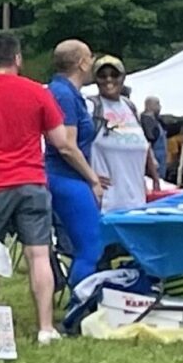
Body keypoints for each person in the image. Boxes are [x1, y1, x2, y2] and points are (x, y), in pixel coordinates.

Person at [0, 32, 91, 345]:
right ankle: (46, 328)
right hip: (32, 182)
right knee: (38, 254)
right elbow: (60, 142)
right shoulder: (38, 93)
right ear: (18, 58)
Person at [42, 39, 110, 267]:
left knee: (87, 246)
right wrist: (92, 179)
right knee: (90, 248)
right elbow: (67, 145)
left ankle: (84, 296)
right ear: (81, 63)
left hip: (68, 176)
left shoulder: (65, 92)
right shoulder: (64, 95)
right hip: (66, 177)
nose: (92, 62)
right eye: (89, 57)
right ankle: (82, 301)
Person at [89, 57, 159, 212]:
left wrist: (154, 176)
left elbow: (143, 143)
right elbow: (71, 144)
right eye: (103, 75)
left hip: (137, 199)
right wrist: (88, 176)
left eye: (114, 75)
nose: (109, 79)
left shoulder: (130, 106)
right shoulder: (91, 107)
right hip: (107, 202)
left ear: (123, 78)